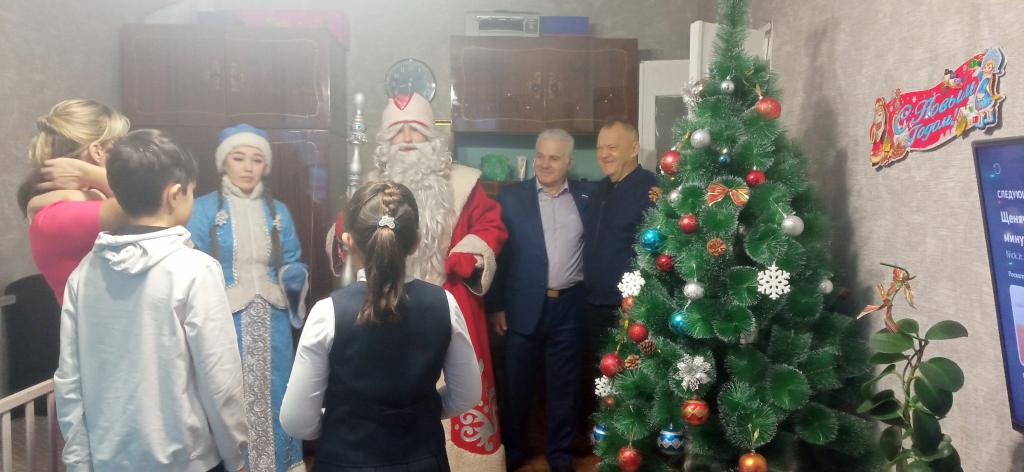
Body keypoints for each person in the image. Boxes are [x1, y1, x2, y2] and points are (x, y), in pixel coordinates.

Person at [53, 129, 248, 472]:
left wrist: (79, 462)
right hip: (187, 462)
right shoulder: (195, 270)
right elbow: (220, 378)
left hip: (108, 461)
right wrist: (236, 456)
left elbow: (69, 379)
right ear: (175, 194)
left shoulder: (84, 273)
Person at [339, 93, 507, 470]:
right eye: (398, 132)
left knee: (461, 386)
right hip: (384, 302)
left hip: (450, 301)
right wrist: (343, 234)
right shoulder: (370, 186)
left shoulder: (464, 183)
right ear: (385, 140)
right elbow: (347, 224)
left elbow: (491, 225)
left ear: (432, 137)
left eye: (416, 130)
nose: (407, 139)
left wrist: (470, 252)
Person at [280, 181, 481, 471]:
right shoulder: (445, 304)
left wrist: (342, 423)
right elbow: (467, 394)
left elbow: (296, 420)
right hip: (422, 461)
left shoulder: (327, 313)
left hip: (344, 461)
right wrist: (421, 414)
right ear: (416, 241)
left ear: (348, 241)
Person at [186, 124, 308, 472]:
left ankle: (280, 463)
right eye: (239, 158)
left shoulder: (278, 211)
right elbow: (190, 262)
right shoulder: (202, 209)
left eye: (256, 160)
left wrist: (293, 275)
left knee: (278, 391)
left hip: (274, 319)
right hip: (225, 318)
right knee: (228, 393)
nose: (248, 167)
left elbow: (292, 258)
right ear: (224, 162)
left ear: (265, 166)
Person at [486, 129, 591, 472]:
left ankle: (559, 454)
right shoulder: (510, 198)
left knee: (564, 387)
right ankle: (515, 451)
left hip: (570, 308)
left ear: (569, 162)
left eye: (554, 158)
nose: (544, 164)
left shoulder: (587, 197)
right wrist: (496, 305)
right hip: (521, 307)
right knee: (517, 386)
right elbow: (498, 256)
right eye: (540, 156)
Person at [17, 99, 130, 303]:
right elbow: (160, 205)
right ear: (97, 152)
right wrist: (94, 175)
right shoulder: (64, 209)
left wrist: (90, 176)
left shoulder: (88, 199)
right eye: (120, 146)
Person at [582, 120, 659, 414]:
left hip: (630, 310)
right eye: (600, 148)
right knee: (598, 383)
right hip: (592, 305)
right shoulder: (598, 190)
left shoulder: (652, 190)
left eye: (612, 147)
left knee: (629, 385)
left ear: (634, 148)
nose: (603, 154)